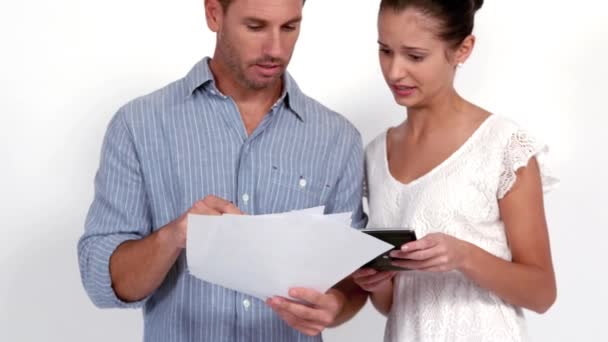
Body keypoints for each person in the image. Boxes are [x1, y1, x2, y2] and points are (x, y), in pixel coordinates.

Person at [77, 0, 368, 340]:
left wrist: (336, 305)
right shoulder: (139, 125)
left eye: (289, 27)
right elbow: (103, 284)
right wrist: (174, 236)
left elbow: (353, 276)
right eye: (256, 27)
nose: (276, 48)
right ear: (214, 14)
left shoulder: (337, 138)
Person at [352, 0, 559, 341]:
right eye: (385, 51)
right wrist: (378, 282)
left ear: (463, 50)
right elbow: (392, 305)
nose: (394, 72)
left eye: (415, 56)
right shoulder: (376, 155)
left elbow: (542, 293)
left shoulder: (502, 145)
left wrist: (464, 255)